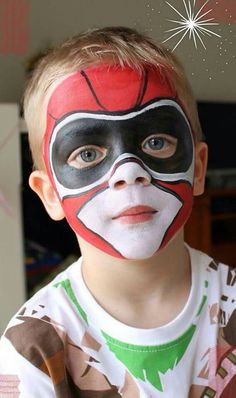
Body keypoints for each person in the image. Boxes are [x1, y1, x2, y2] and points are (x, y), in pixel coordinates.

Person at [0, 26, 235, 397]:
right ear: (50, 195)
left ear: (199, 169)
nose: (129, 172)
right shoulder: (33, 349)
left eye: (156, 142)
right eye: (87, 153)